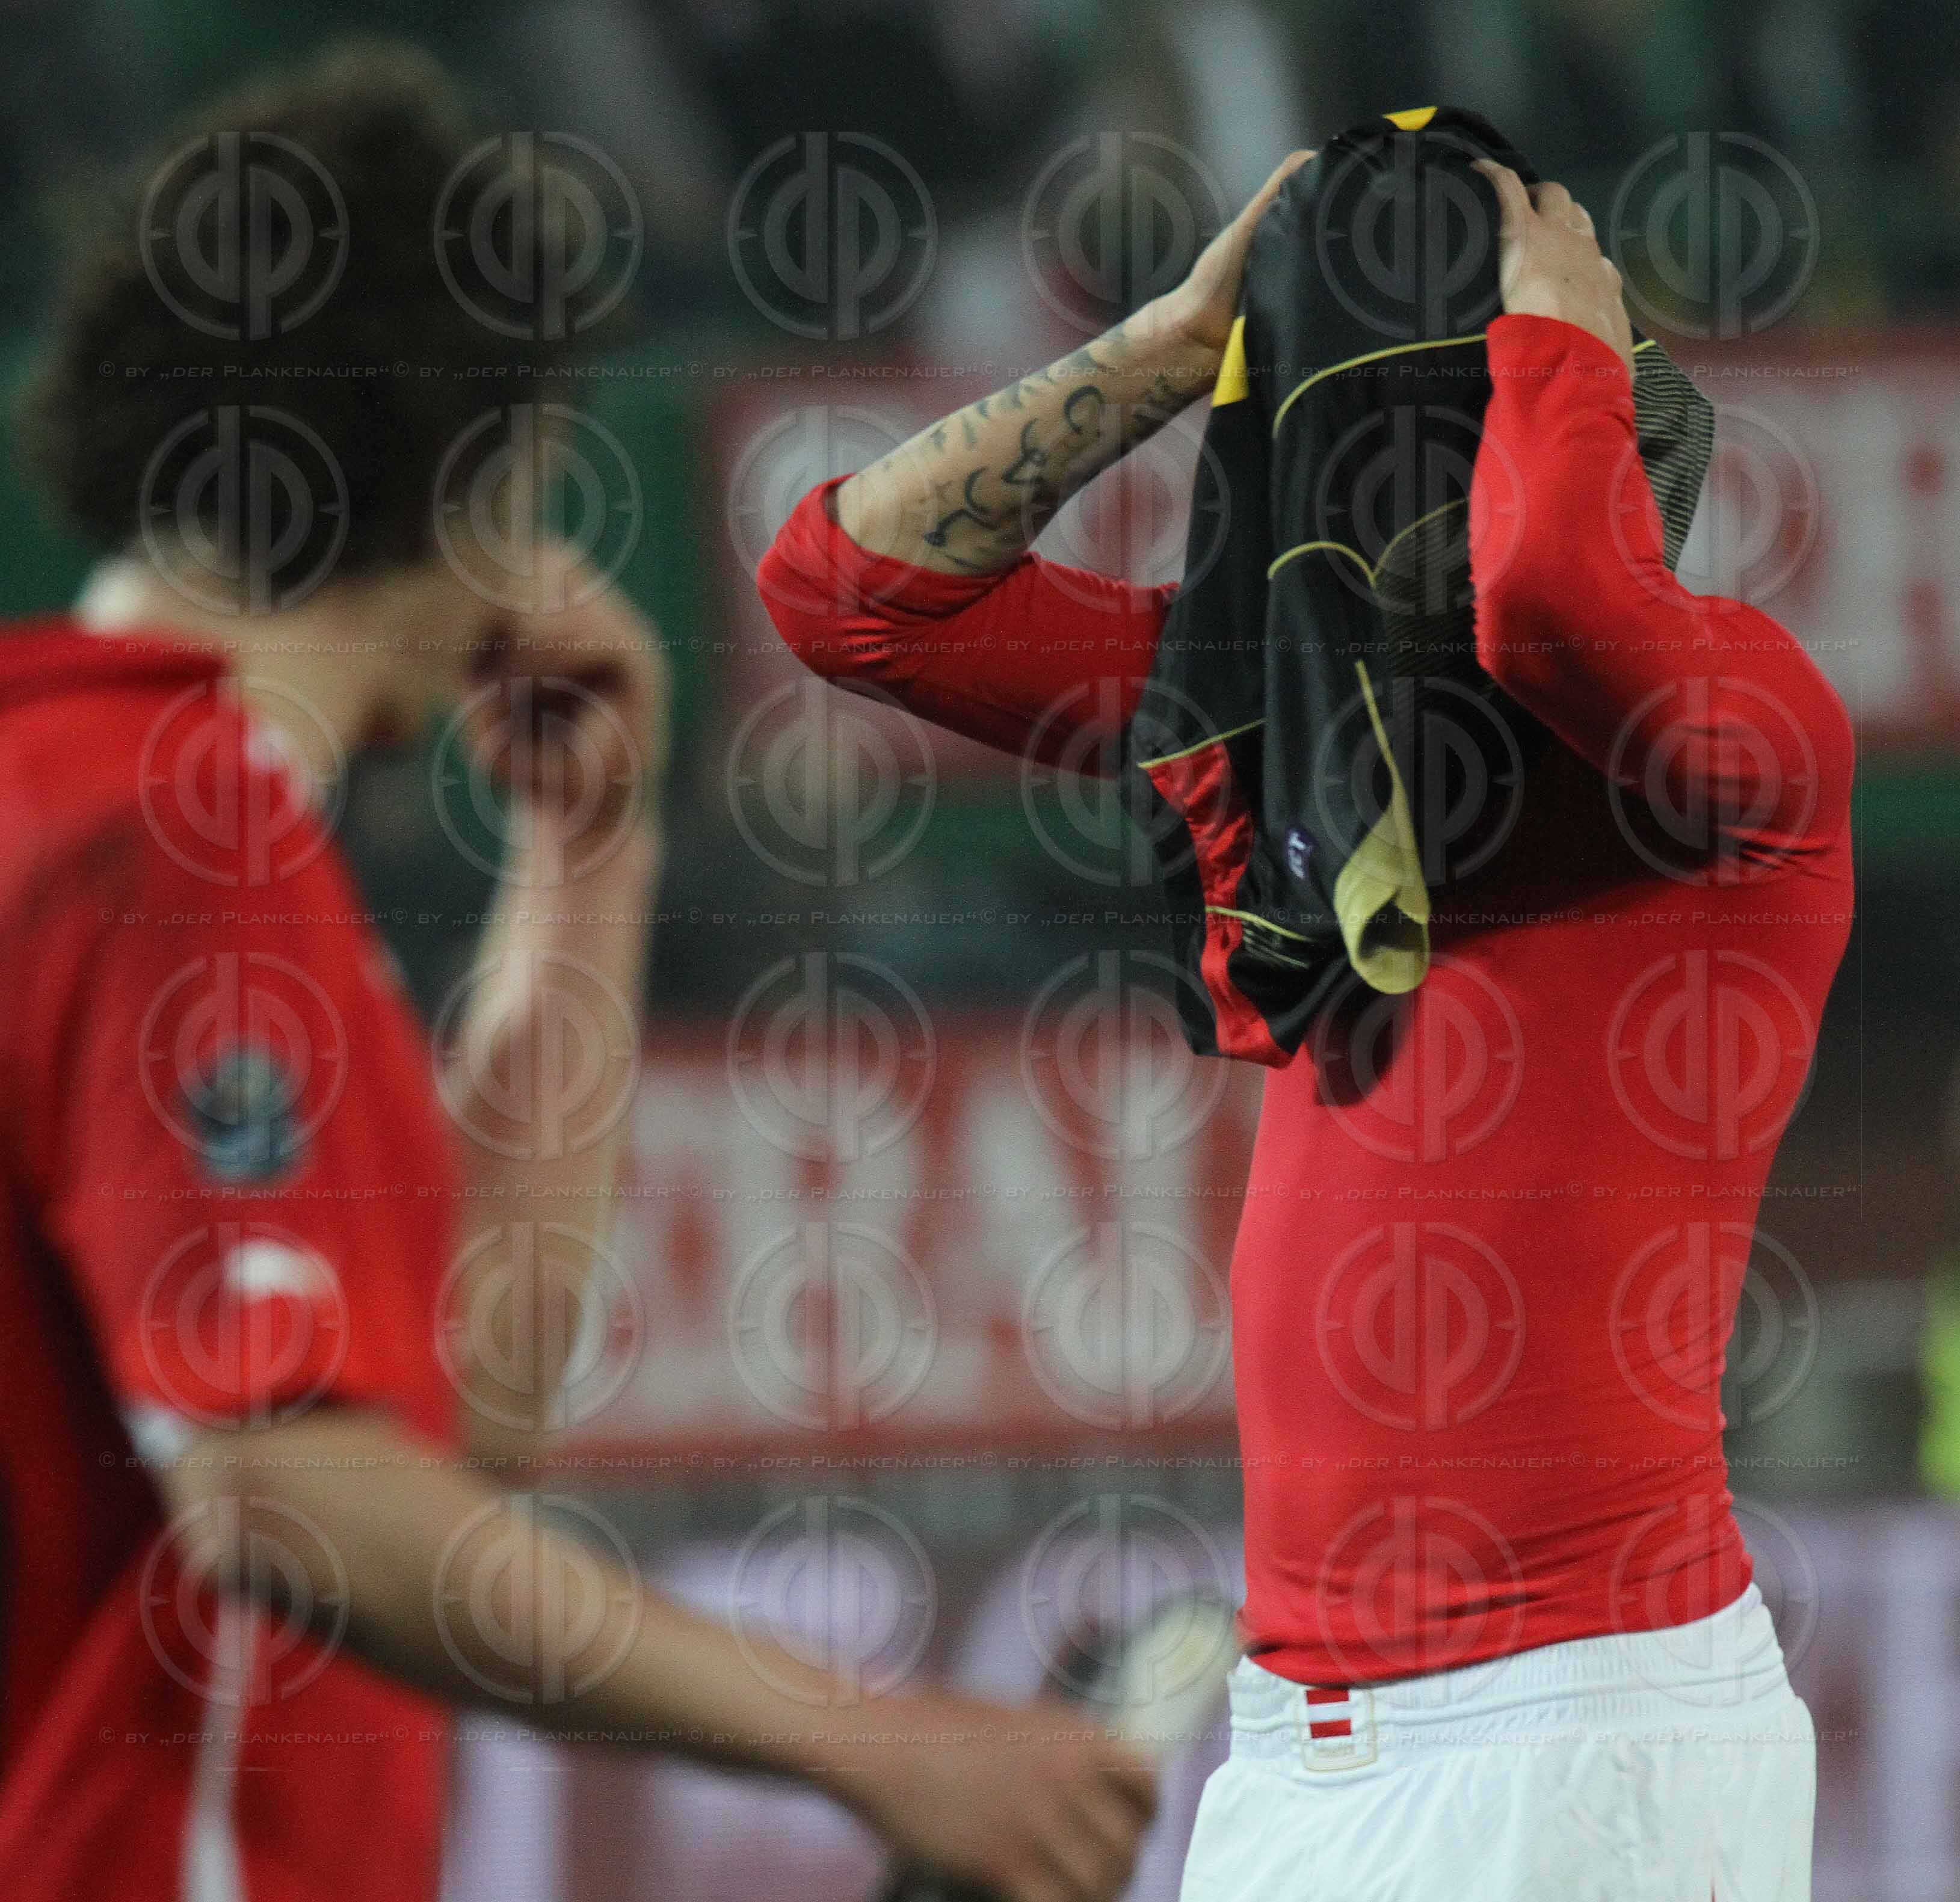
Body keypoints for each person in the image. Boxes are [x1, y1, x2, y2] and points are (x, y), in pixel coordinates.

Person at [0, 42, 1155, 1902]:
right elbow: (288, 1486)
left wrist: (587, 847)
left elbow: (460, 1391)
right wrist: (876, 1736)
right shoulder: (179, 828)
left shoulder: (78, 791)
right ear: (480, 467)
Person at [762, 139, 1853, 1898]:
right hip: (1295, 1752)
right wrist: (1175, 343)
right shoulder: (1302, 762)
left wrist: (1551, 331)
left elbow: (1552, 596)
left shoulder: (1749, 747)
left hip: (1587, 1724)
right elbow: (845, 594)